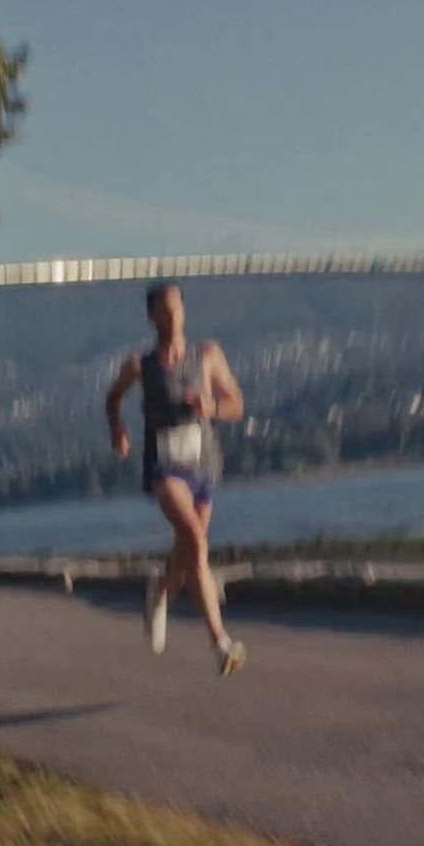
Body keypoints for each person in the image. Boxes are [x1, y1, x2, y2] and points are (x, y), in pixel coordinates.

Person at [106, 282, 248, 676]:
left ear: (184, 311)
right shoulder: (140, 365)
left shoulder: (207, 356)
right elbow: (112, 397)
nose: (172, 318)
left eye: (177, 310)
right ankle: (221, 645)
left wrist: (213, 406)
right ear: (151, 317)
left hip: (203, 466)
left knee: (187, 555)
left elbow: (237, 403)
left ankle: (160, 590)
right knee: (197, 543)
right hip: (165, 468)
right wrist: (117, 429)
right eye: (163, 312)